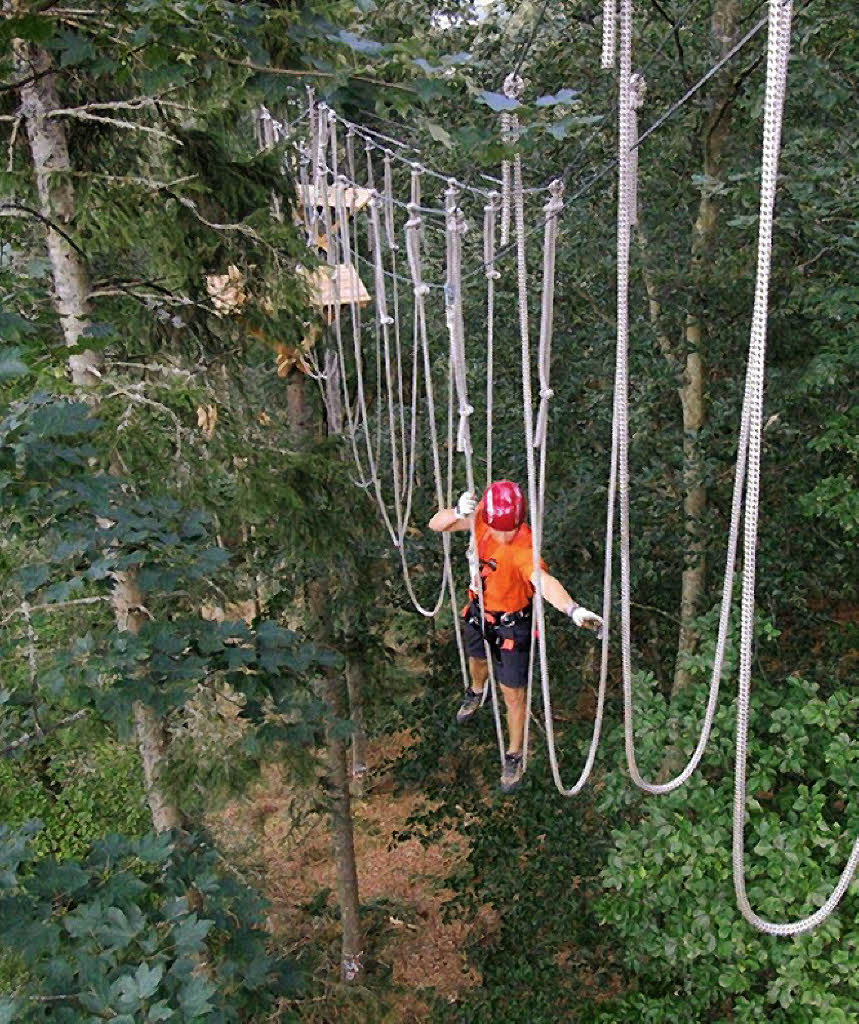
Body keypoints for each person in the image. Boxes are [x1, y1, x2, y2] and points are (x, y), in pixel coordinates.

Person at [428, 480, 602, 794]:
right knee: (476, 659)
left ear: (519, 522)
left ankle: (514, 752)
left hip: (512, 624)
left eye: (509, 529)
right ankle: (476, 690)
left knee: (514, 694)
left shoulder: (524, 547)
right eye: (498, 529)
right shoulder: (483, 518)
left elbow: (544, 581)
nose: (503, 536)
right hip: (481, 610)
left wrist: (573, 610)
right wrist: (456, 511)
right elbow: (435, 524)